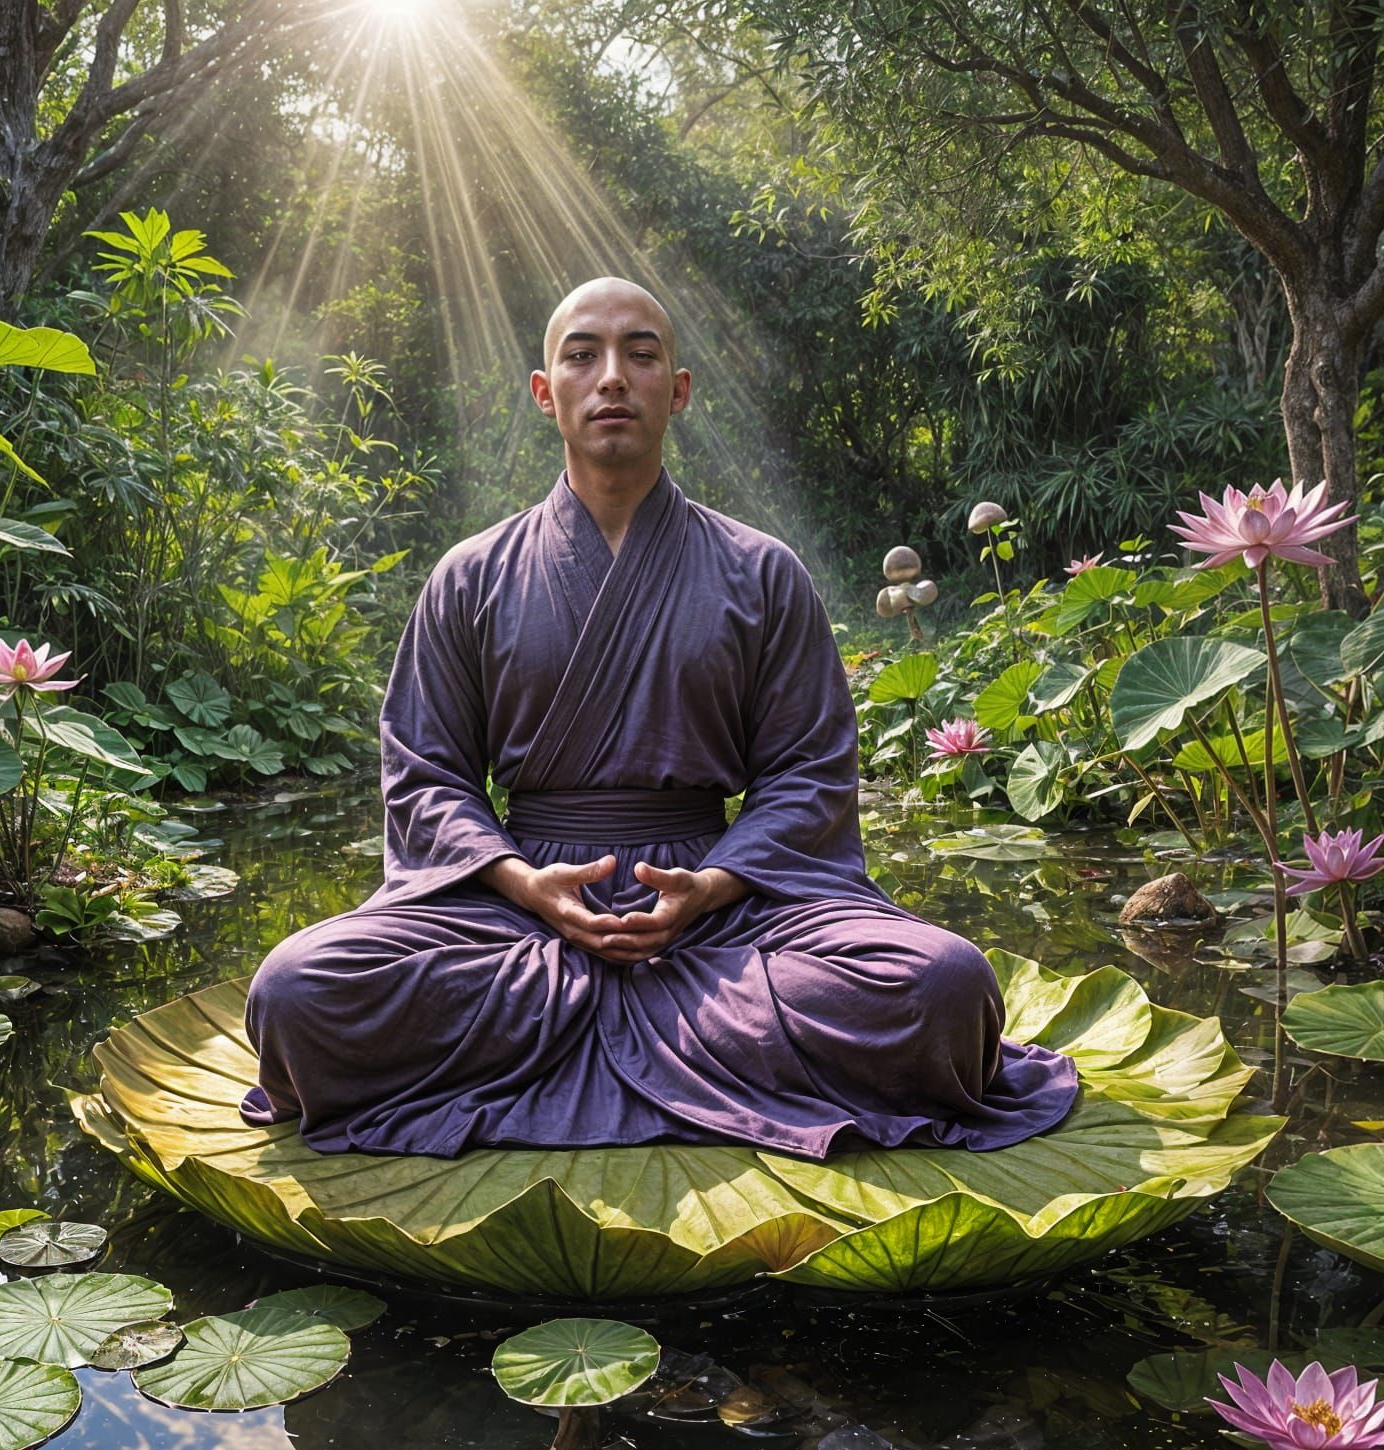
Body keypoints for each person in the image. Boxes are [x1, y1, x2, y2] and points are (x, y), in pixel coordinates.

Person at [239, 277, 1078, 1158]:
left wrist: (710, 888)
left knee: (945, 990)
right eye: (582, 355)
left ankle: (588, 1042)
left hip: (724, 915)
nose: (612, 378)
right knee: (296, 994)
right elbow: (426, 774)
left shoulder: (762, 571)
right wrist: (524, 883)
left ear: (676, 389)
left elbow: (809, 775)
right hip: (518, 913)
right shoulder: (471, 576)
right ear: (544, 391)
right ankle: (685, 1048)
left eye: (640, 355)